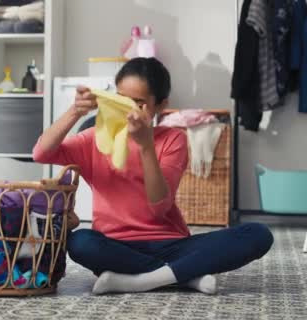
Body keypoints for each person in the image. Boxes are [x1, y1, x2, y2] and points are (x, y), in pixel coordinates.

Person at [33, 57, 273, 295]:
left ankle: (140, 280)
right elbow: (41, 152)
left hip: (172, 244)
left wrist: (146, 146)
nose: (128, 110)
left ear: (160, 104)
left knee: (258, 234)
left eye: (138, 103)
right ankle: (183, 277)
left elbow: (158, 207)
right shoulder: (94, 138)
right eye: (121, 99)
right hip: (115, 246)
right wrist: (74, 111)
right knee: (79, 242)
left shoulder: (172, 139)